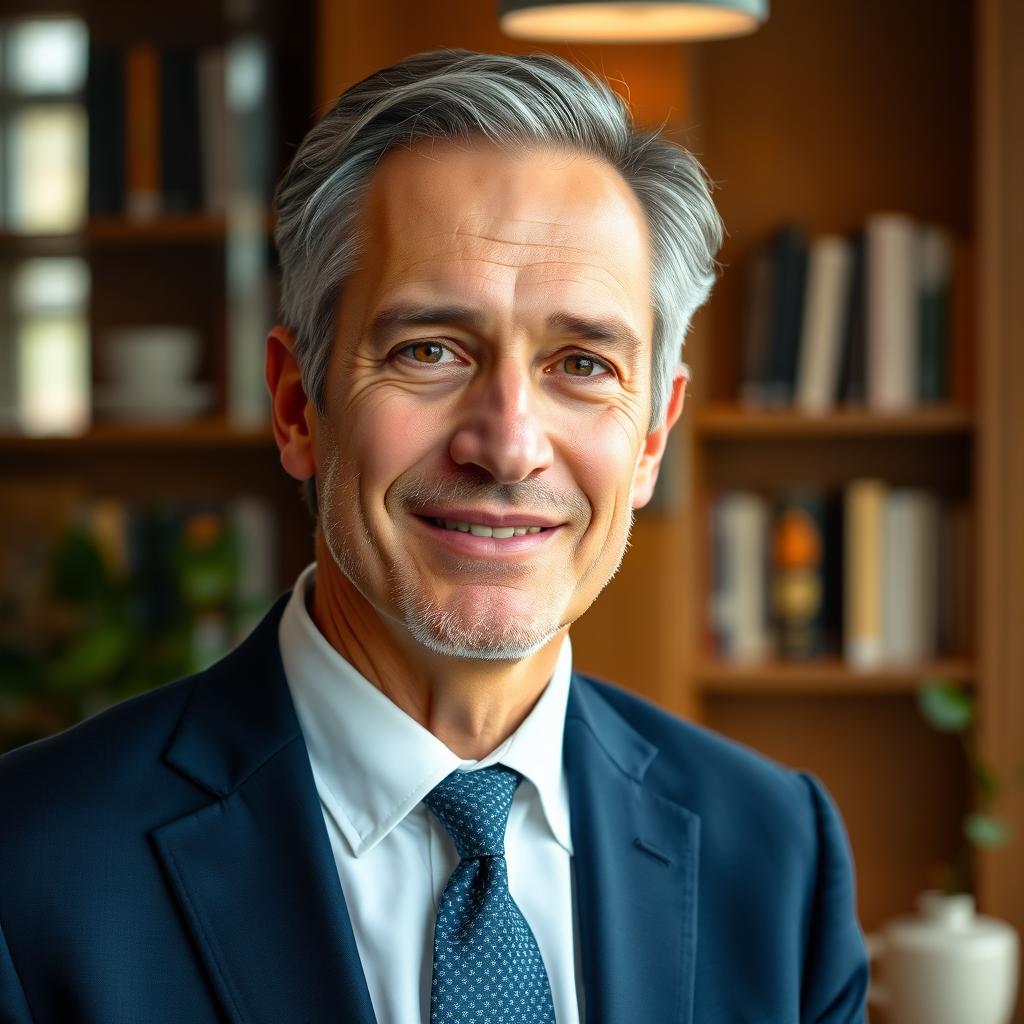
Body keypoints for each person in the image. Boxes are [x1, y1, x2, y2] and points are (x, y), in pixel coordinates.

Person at [0, 49, 868, 1024]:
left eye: (581, 363)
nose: (507, 445)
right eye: (429, 350)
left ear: (653, 437)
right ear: (297, 405)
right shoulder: (28, 868)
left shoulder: (776, 854)